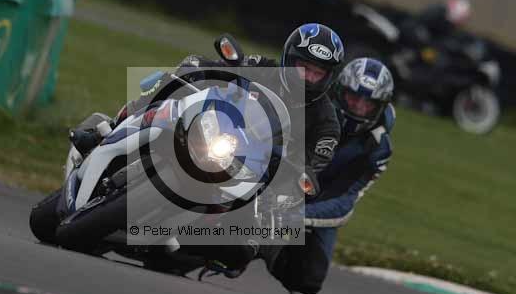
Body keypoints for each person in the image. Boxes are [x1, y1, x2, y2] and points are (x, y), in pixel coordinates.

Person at [69, 23, 346, 273]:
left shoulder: (327, 124)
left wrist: (295, 180)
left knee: (243, 251)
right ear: (288, 59)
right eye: (303, 67)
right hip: (216, 134)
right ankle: (105, 131)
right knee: (173, 86)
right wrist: (198, 69)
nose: (307, 77)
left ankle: (191, 251)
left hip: (255, 177)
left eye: (317, 73)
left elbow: (311, 168)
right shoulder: (263, 67)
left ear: (328, 77)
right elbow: (219, 68)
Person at [262, 57, 395, 294]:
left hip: (313, 203)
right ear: (340, 91)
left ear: (380, 107)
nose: (358, 107)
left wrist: (297, 216)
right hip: (276, 178)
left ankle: (270, 251)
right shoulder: (312, 103)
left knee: (308, 279)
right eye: (353, 98)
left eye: (368, 103)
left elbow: (344, 202)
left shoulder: (377, 147)